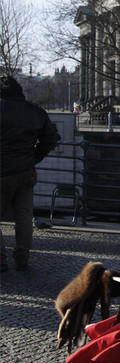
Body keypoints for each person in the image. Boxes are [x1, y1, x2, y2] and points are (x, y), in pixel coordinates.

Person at [0, 75, 60, 271]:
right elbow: (50, 138)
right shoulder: (35, 112)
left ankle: (1, 260)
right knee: (24, 217)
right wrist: (34, 157)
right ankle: (22, 258)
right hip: (25, 171)